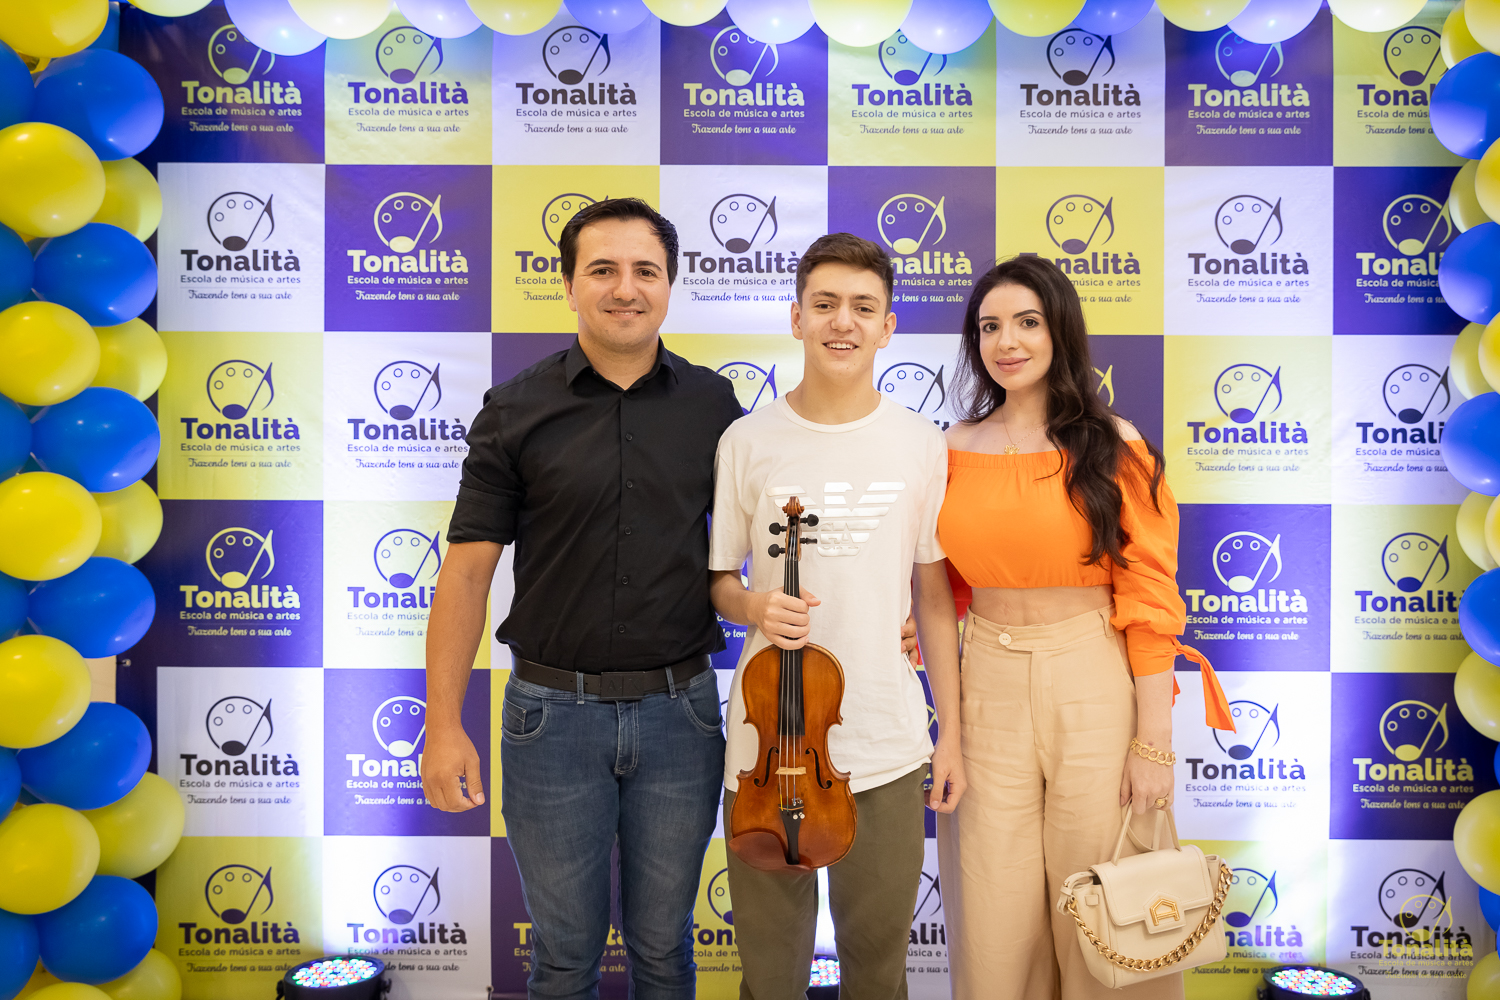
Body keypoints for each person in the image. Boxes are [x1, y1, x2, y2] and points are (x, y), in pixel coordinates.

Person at [421, 197, 744, 1000]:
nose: (625, 288)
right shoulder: (514, 409)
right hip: (550, 721)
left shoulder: (716, 408)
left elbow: (764, 552)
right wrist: (443, 724)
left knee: (666, 950)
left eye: (645, 271)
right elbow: (466, 574)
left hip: (682, 718)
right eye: (603, 269)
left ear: (669, 286)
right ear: (568, 285)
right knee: (563, 959)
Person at [934, 256, 1235, 1000]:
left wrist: (1152, 744)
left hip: (1094, 677)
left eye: (1027, 322)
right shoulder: (949, 447)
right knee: (993, 912)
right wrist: (946, 726)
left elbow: (1149, 597)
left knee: (1106, 907)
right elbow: (944, 585)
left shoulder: (1113, 443)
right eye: (990, 327)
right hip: (986, 681)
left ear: (1060, 331)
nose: (1007, 341)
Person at [708, 232, 966, 1000]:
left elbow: (933, 598)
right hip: (765, 746)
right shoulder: (747, 440)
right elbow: (719, 580)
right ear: (796, 318)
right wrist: (754, 605)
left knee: (879, 971)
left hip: (886, 742)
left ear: (888, 326)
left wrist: (951, 734)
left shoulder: (922, 443)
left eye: (862, 307)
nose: (842, 322)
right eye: (824, 305)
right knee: (769, 976)